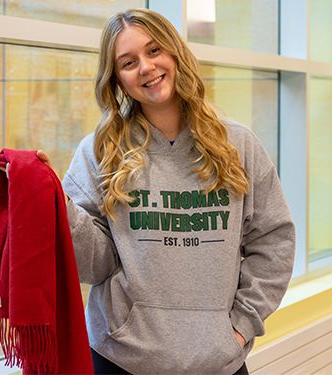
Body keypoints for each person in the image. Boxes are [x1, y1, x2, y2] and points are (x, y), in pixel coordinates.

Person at [38, 8, 295, 375]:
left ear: (175, 53)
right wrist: (57, 205)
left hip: (217, 359)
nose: (145, 67)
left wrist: (240, 326)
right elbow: (95, 266)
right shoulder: (98, 151)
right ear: (117, 80)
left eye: (154, 50)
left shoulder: (238, 144)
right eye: (128, 62)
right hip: (120, 359)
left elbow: (274, 241)